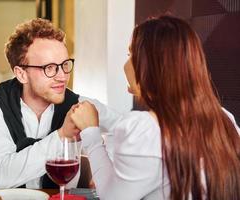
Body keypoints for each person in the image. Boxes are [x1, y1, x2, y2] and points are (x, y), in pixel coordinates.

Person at [70, 15, 240, 200]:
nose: (126, 64)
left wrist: (91, 134)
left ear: (148, 65)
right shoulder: (225, 119)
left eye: (130, 55)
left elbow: (112, 197)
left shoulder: (144, 129)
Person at [0, 18, 120, 189]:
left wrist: (107, 171)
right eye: (50, 67)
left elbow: (132, 131)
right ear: (21, 74)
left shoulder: (79, 105)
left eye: (65, 64)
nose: (62, 76)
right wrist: (62, 135)